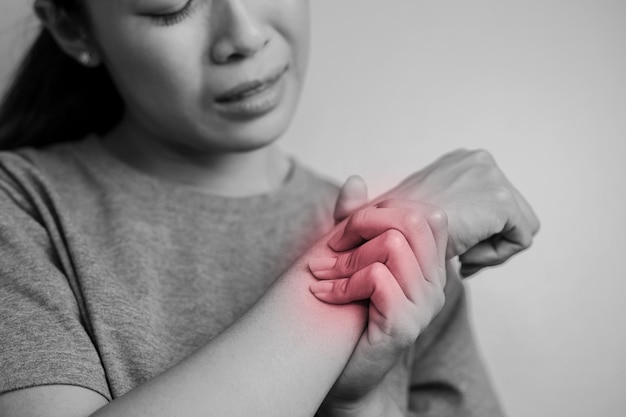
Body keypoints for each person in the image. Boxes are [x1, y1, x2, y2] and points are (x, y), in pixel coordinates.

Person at [0, 1, 540, 416]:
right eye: (172, 7)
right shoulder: (21, 205)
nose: (246, 36)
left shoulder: (416, 251)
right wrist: (357, 265)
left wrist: (361, 406)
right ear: (74, 28)